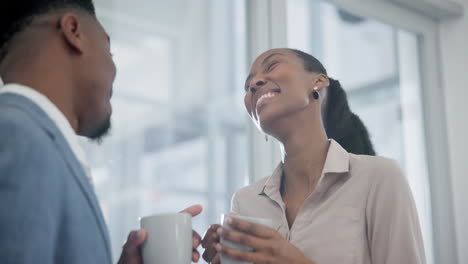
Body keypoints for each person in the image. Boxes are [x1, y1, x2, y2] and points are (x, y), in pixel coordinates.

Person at [0, 1, 202, 263]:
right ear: (73, 31)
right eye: (110, 51)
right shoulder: (18, 136)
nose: (114, 70)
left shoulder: (34, 139)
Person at [202, 48, 425, 264]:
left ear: (318, 82)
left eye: (272, 65)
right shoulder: (245, 201)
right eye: (247, 84)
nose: (253, 84)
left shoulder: (379, 178)